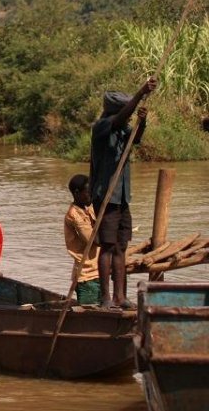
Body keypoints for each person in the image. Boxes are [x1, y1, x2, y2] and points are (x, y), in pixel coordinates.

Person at [89, 76, 156, 309]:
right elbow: (120, 120)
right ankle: (105, 298)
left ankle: (120, 296)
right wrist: (140, 93)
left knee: (121, 246)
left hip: (122, 196)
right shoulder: (102, 127)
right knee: (107, 246)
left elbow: (134, 139)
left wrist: (142, 123)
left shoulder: (123, 129)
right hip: (106, 195)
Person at [64, 174, 101, 305]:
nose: (90, 195)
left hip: (97, 272)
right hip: (87, 275)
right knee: (90, 318)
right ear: (77, 193)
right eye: (87, 192)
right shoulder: (74, 215)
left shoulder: (87, 208)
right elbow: (93, 240)